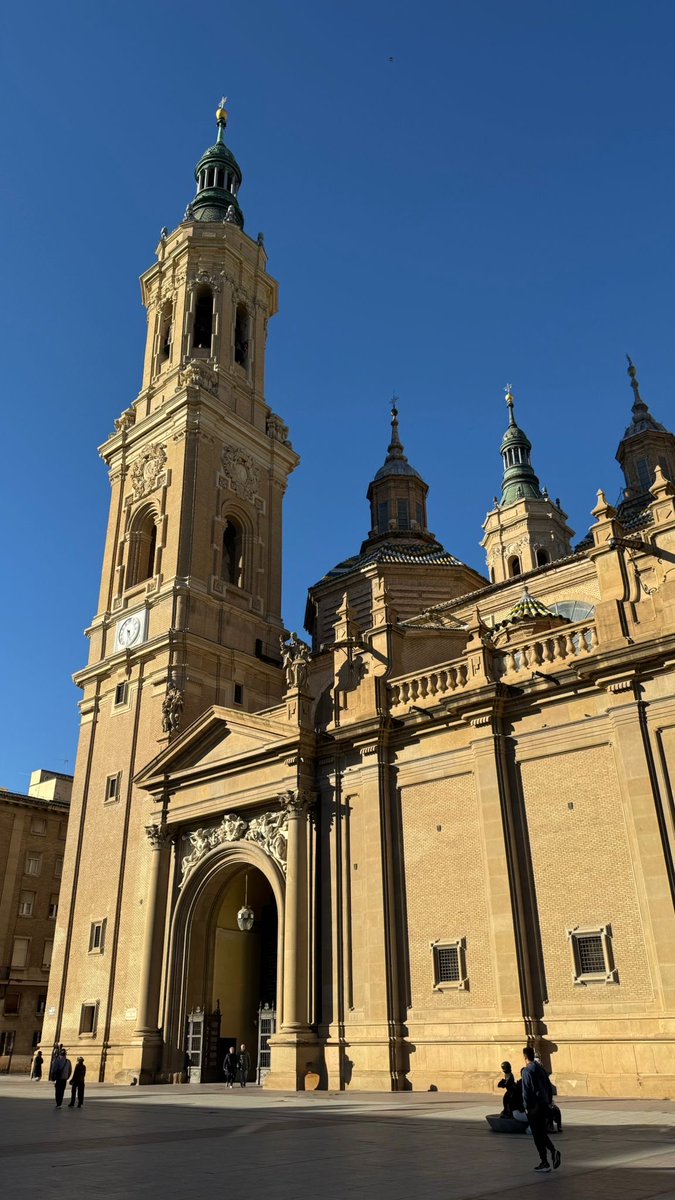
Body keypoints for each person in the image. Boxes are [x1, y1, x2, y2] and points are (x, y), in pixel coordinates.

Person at [521, 1047, 561, 1173]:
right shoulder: (540, 1069)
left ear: (525, 1057)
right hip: (544, 1105)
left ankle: (545, 1161)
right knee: (541, 1132)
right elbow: (549, 1087)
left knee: (537, 1136)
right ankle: (553, 1152)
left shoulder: (527, 1071)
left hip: (534, 1107)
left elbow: (526, 1091)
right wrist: (548, 1101)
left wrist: (526, 1107)